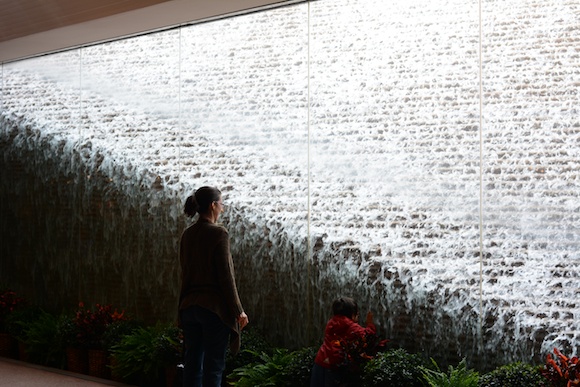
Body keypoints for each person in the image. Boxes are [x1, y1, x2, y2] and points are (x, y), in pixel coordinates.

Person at [178, 186, 249, 387]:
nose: (223, 209)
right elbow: (226, 276)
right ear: (213, 205)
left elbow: (185, 274)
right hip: (212, 310)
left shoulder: (187, 234)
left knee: (192, 365)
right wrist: (238, 310)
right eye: (221, 204)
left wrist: (180, 310)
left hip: (189, 307)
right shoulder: (219, 233)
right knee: (214, 367)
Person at [310, 297, 376, 387]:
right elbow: (367, 335)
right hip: (335, 366)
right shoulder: (351, 326)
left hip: (320, 361)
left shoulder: (331, 322)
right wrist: (370, 323)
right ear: (352, 314)